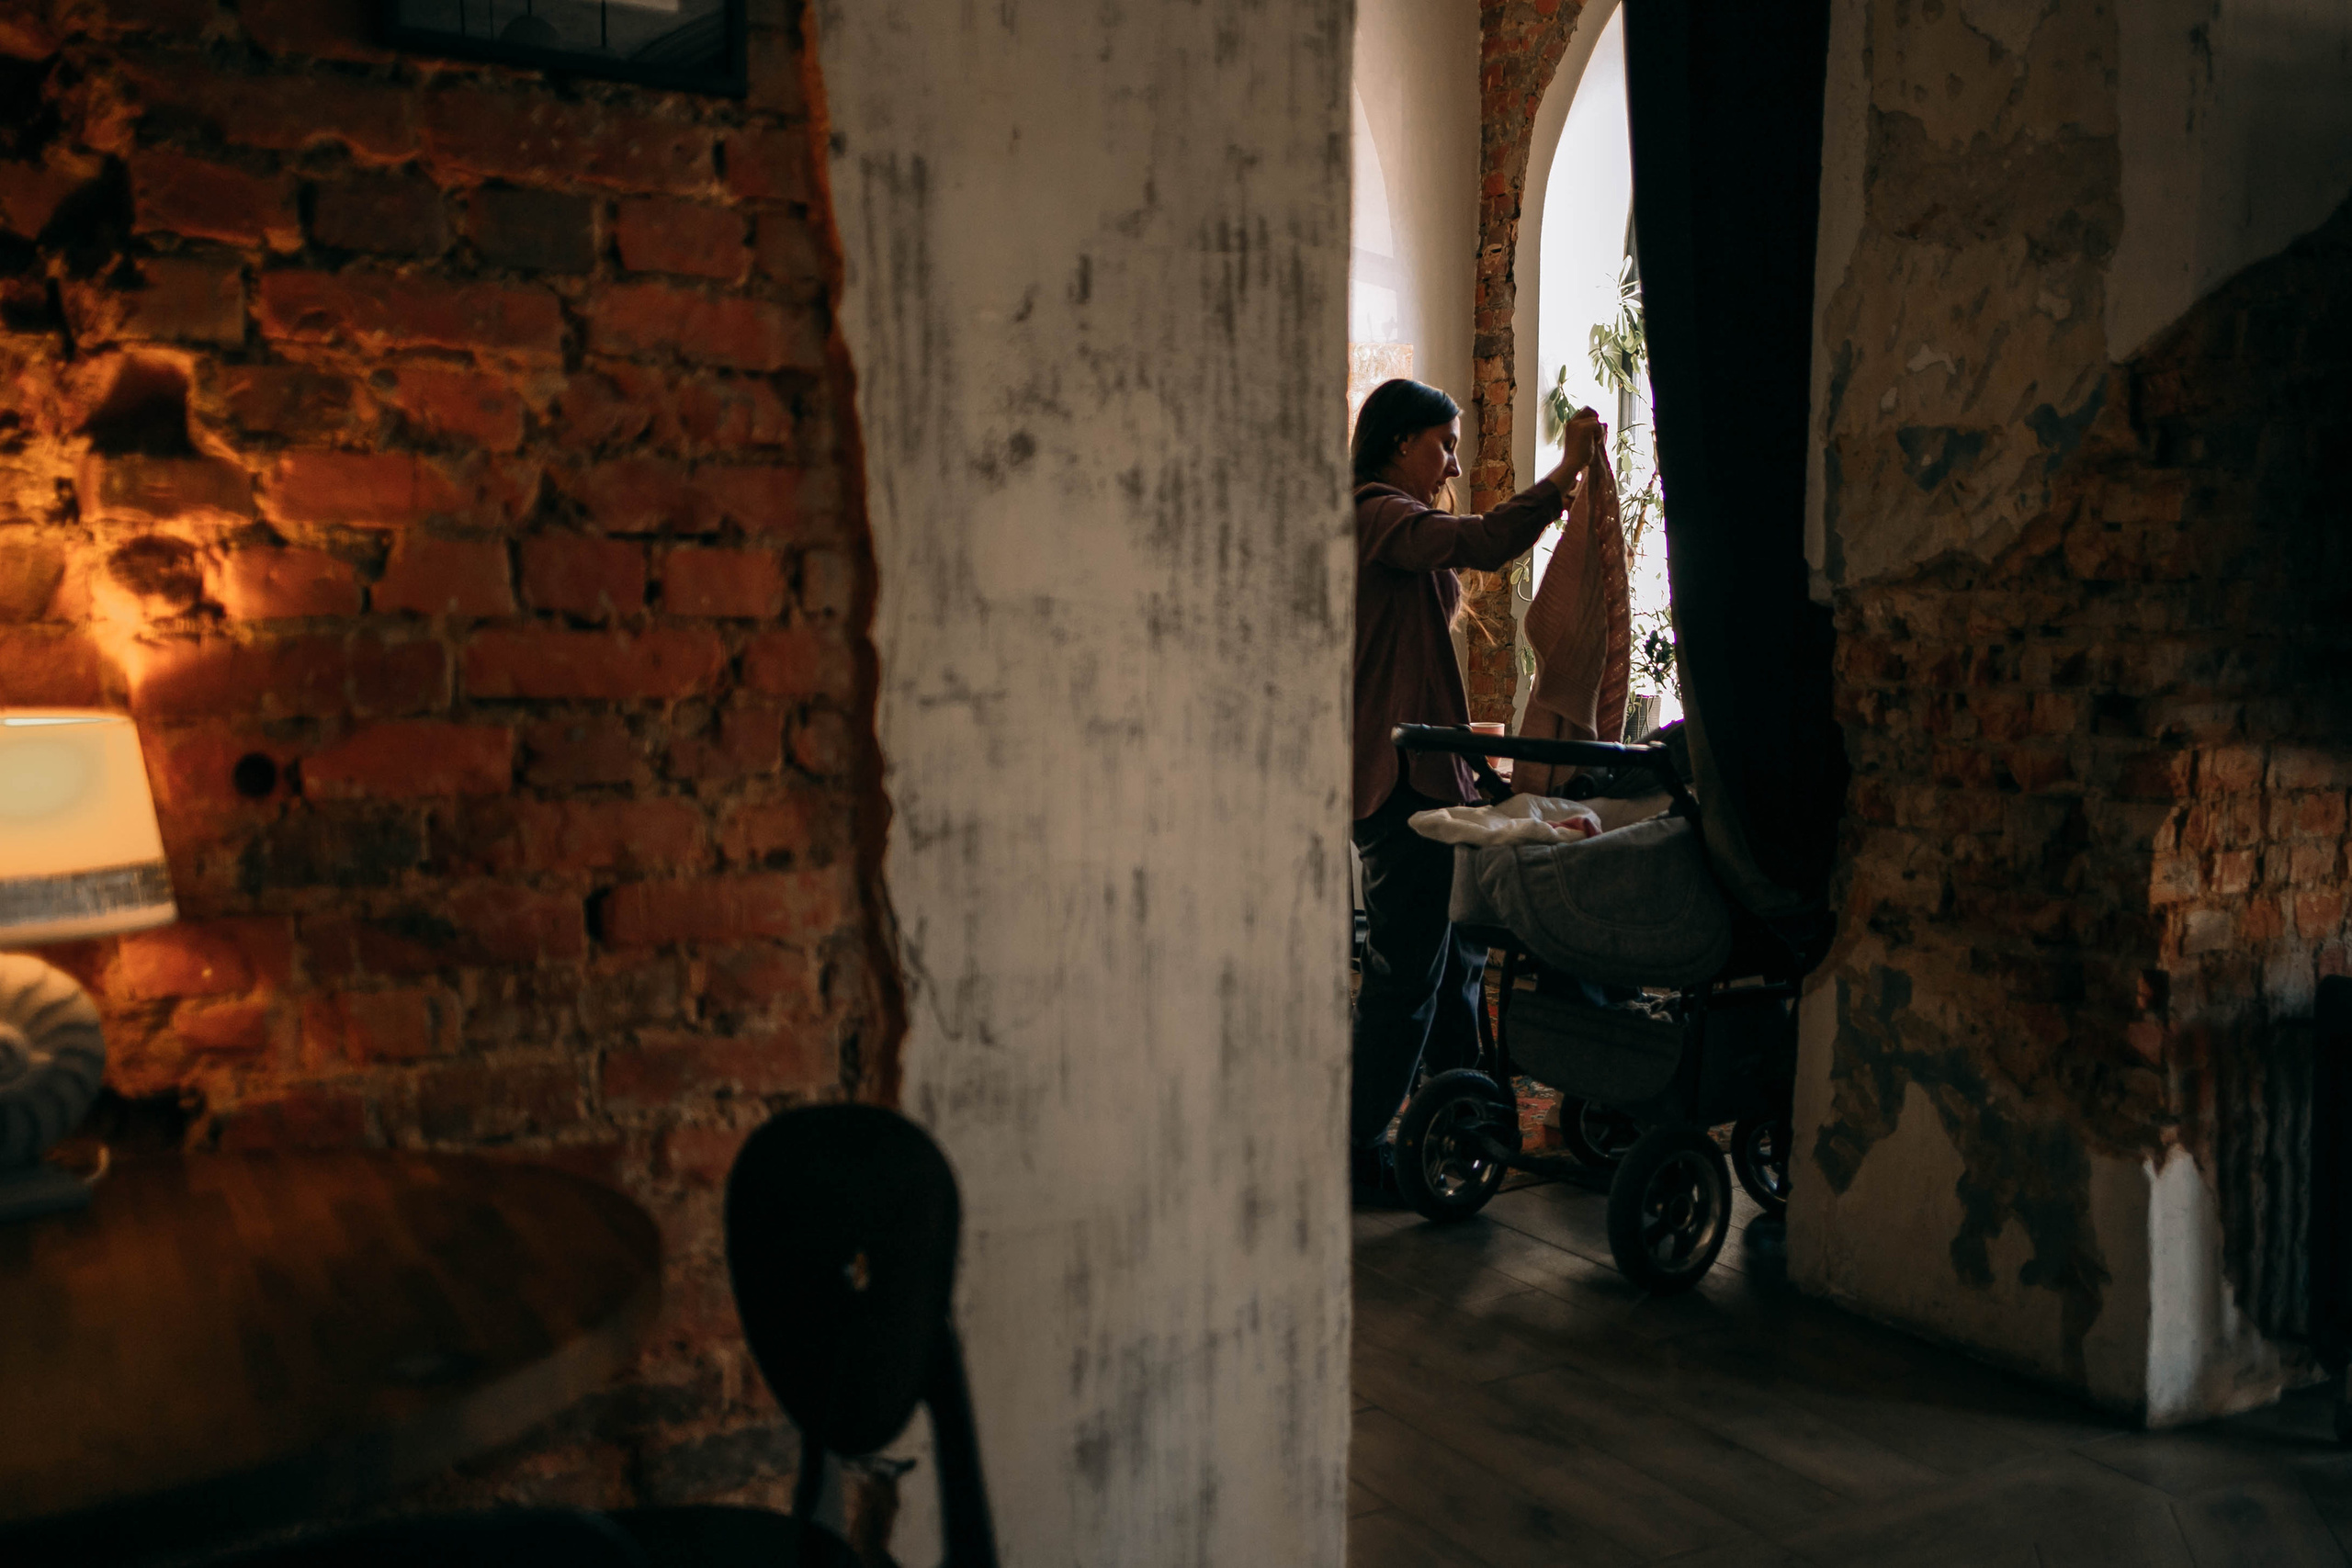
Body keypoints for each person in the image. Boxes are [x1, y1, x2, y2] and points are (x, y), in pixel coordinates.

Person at [1350, 378, 1605, 1201]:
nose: (1453, 460)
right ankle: (1351, 1150)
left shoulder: (1391, 525)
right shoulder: (1376, 512)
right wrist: (1564, 475)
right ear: (1399, 443)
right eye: (1444, 442)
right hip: (1400, 790)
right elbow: (1488, 541)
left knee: (1454, 957)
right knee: (1407, 977)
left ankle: (1462, 1122)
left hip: (1427, 779)